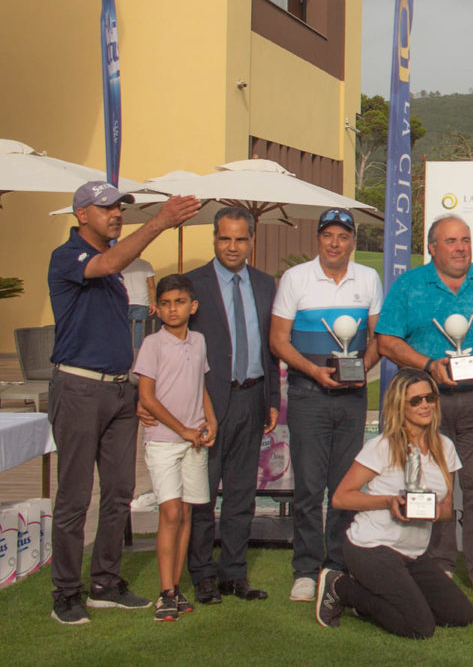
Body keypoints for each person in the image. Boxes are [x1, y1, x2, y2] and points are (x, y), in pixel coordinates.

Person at [47, 181, 199, 625]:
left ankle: (105, 583)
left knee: (118, 494)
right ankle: (66, 592)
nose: (116, 214)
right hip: (78, 388)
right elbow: (110, 259)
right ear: (81, 215)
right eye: (107, 208)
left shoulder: (113, 272)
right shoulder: (70, 257)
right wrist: (160, 221)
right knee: (75, 497)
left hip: (118, 390)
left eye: (120, 208)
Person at [375, 213, 473, 601]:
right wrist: (426, 365)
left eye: (466, 240)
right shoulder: (409, 286)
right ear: (432, 248)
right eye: (451, 241)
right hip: (427, 401)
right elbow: (386, 340)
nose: (460, 248)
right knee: (434, 485)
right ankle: (436, 561)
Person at [269, 207, 383, 602]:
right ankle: (305, 567)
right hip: (308, 393)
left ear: (353, 241)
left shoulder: (368, 278)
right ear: (318, 239)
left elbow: (377, 338)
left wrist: (359, 371)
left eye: (343, 236)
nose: (335, 243)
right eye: (328, 236)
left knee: (343, 484)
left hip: (351, 397)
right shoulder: (295, 278)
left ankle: (335, 563)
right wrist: (316, 372)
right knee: (308, 486)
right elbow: (279, 340)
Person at [315, 369, 473, 638]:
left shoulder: (445, 447)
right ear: (399, 406)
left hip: (412, 553)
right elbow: (341, 497)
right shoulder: (382, 446)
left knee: (459, 614)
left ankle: (378, 601)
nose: (425, 405)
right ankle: (340, 586)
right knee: (420, 627)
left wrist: (432, 510)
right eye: (415, 401)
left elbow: (447, 509)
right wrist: (389, 501)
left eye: (429, 397)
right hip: (371, 547)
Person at [179, 207, 279, 605]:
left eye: (240, 239)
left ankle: (233, 574)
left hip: (253, 397)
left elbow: (271, 348)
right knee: (202, 493)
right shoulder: (193, 284)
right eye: (225, 239)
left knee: (241, 494)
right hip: (207, 403)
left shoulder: (265, 283)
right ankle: (202, 573)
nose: (233, 246)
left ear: (251, 239)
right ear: (214, 239)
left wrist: (272, 399)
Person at [133, 274, 217, 621]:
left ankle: (177, 587)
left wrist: (211, 422)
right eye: (165, 303)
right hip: (165, 442)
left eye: (179, 302)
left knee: (186, 514)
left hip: (194, 442)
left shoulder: (198, 341)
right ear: (157, 307)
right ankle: (165, 591)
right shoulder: (152, 344)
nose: (172, 309)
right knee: (168, 513)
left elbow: (200, 387)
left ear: (192, 306)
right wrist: (182, 429)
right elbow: (146, 397)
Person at [124, 257, 156, 351]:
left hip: (124, 301)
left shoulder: (122, 263)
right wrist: (153, 303)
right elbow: (151, 286)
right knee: (138, 333)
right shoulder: (146, 264)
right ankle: (136, 357)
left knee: (122, 332)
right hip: (141, 303)